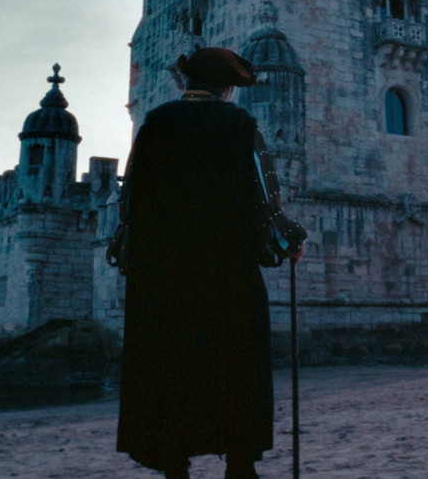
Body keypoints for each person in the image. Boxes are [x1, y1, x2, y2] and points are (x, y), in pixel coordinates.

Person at [111, 47, 307, 479]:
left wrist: (135, 255)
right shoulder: (240, 124)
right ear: (227, 87)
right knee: (234, 363)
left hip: (164, 276)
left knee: (171, 363)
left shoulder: (156, 123)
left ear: (189, 83)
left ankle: (175, 464)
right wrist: (289, 240)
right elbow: (264, 200)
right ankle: (239, 465)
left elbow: (130, 200)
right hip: (226, 274)